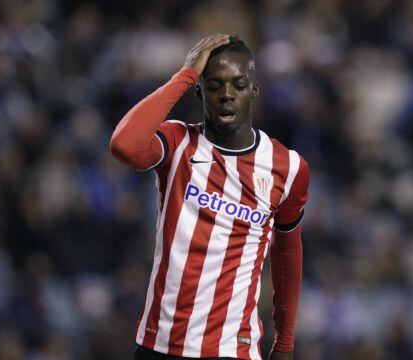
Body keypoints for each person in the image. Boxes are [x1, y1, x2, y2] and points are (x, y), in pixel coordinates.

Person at [109, 34, 308, 360]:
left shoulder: (288, 167)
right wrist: (184, 75)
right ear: (199, 90)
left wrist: (284, 343)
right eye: (214, 85)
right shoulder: (177, 142)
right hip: (160, 344)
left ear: (254, 90)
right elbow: (124, 145)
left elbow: (288, 254)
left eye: (238, 85)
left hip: (232, 349)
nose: (226, 95)